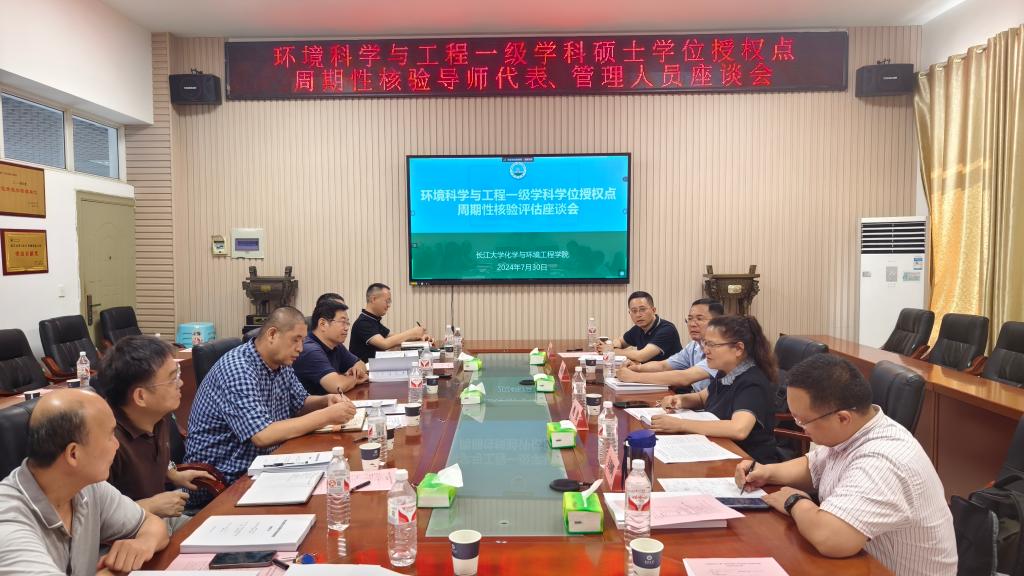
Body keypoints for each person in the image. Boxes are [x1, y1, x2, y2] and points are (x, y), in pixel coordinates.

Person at [735, 354, 957, 575]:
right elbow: (815, 466)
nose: (800, 427)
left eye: (802, 420)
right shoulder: (854, 431)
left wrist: (794, 502)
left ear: (842, 418)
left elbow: (831, 538)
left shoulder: (883, 461)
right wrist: (767, 471)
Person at [185, 306, 357, 505]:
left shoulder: (281, 363)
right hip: (224, 479)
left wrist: (325, 401)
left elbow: (300, 402)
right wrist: (327, 416)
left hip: (264, 465)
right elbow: (262, 435)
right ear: (272, 335)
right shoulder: (239, 368)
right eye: (295, 340)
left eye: (302, 340)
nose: (301, 348)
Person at [0, 389, 169, 575]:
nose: (117, 444)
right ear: (74, 454)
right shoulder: (8, 522)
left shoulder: (87, 486)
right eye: (110, 435)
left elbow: (153, 524)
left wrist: (143, 545)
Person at [100, 335, 216, 533]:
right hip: (129, 536)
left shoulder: (157, 415)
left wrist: (172, 474)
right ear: (141, 396)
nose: (180, 383)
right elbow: (93, 521)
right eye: (172, 379)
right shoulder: (104, 440)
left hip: (160, 521)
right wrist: (150, 506)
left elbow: (151, 453)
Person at [651, 315, 780, 464]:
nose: (705, 350)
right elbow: (702, 398)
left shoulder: (752, 382)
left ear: (738, 348)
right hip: (719, 450)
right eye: (705, 343)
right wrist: (680, 400)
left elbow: (738, 429)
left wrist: (680, 424)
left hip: (748, 463)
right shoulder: (725, 371)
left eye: (712, 345)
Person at [616, 298, 724, 391]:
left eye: (699, 319)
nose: (692, 324)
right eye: (690, 319)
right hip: (698, 399)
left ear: (718, 322)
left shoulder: (722, 349)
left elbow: (684, 377)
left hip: (712, 406)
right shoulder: (693, 346)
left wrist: (634, 377)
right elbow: (663, 365)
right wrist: (637, 368)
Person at [293, 299, 368, 395]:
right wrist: (355, 378)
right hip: (315, 404)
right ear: (323, 324)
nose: (346, 328)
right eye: (342, 322)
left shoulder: (335, 345)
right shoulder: (309, 350)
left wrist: (356, 372)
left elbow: (360, 364)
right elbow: (337, 386)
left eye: (347, 323)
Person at [349, 283, 428, 362]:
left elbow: (393, 338)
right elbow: (384, 344)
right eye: (387, 301)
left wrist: (418, 338)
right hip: (364, 368)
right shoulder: (363, 322)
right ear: (373, 299)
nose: (389, 305)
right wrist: (411, 333)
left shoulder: (373, 320)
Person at [612, 291, 683, 363]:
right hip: (648, 369)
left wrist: (614, 351)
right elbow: (619, 341)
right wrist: (613, 346)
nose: (638, 315)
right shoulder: (638, 328)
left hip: (670, 370)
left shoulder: (667, 329)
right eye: (634, 311)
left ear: (653, 310)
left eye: (642, 309)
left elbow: (641, 356)